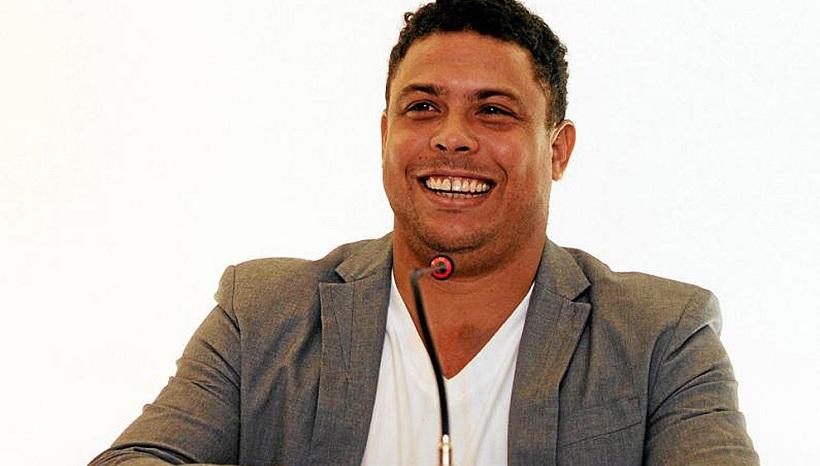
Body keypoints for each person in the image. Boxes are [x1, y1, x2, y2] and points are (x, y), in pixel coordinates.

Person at [90, 1, 758, 464]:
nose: (451, 137)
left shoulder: (663, 335)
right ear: (386, 135)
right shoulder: (262, 312)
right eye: (423, 107)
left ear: (558, 150)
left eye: (493, 111)